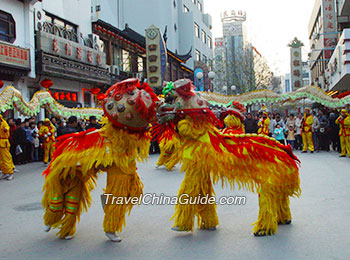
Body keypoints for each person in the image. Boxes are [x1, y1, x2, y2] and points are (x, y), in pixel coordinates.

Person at [0, 115, 15, 180]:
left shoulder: (4, 123)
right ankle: (5, 172)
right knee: (1, 160)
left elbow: (6, 128)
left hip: (3, 142)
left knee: (6, 158)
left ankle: (10, 172)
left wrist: (5, 129)